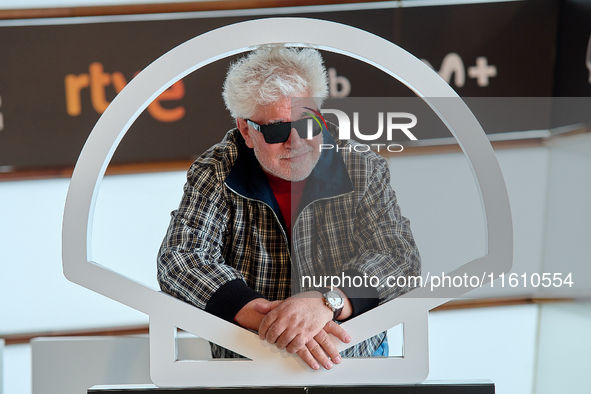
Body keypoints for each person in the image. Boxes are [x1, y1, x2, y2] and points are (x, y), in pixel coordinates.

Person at [157, 44, 421, 371]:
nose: (295, 141)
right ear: (246, 130)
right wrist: (271, 320)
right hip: (250, 368)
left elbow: (398, 257)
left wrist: (327, 301)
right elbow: (181, 258)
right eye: (278, 129)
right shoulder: (216, 171)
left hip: (353, 365)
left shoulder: (362, 167)